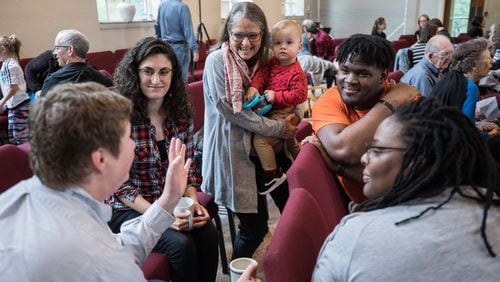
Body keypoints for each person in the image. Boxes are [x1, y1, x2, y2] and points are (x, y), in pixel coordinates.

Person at [0, 82, 191, 281]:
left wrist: (167, 200)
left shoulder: (27, 198)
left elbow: (116, 246)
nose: (134, 145)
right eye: (127, 138)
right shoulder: (98, 258)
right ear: (100, 159)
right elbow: (107, 258)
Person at [313, 98, 500, 281]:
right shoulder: (491, 212)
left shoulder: (355, 237)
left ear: (418, 162)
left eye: (376, 150)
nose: (364, 158)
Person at [107, 37, 218, 282]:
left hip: (171, 201)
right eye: (148, 71)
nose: (156, 80)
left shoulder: (180, 112)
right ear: (134, 73)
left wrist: (192, 203)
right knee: (181, 245)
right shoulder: (120, 116)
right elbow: (118, 186)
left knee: (208, 233)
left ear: (173, 74)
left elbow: (188, 168)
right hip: (129, 207)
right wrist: (161, 216)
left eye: (163, 72)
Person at [202, 2, 298, 259]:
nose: (245, 43)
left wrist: (292, 116)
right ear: (228, 34)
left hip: (268, 148)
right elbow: (234, 113)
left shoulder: (268, 58)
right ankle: (237, 274)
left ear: (263, 33)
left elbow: (292, 88)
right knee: (254, 230)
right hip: (234, 155)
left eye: (253, 35)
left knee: (294, 213)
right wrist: (279, 127)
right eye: (238, 35)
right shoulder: (216, 62)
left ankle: (287, 267)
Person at [310, 34, 420, 204]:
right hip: (363, 205)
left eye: (362, 74)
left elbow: (413, 175)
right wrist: (390, 103)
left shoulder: (411, 100)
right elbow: (344, 150)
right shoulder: (330, 100)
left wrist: (340, 167)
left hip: (409, 200)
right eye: (344, 70)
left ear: (383, 77)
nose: (350, 80)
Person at [244, 19, 308, 195]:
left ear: (299, 47)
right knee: (291, 142)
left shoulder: (297, 72)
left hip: (284, 111)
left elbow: (300, 95)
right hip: (270, 109)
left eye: (289, 43)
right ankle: (303, 166)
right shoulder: (272, 63)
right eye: (278, 43)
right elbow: (262, 75)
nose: (283, 47)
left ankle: (272, 173)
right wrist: (254, 87)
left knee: (260, 140)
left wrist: (276, 95)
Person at [429, 38, 494, 122]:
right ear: (474, 64)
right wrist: (489, 135)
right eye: (489, 58)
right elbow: (467, 129)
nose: (492, 61)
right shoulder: (470, 87)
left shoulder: (448, 76)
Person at [40, 29, 113, 97]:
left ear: (70, 50)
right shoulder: (102, 78)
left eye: (57, 48)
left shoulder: (53, 80)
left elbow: (41, 109)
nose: (54, 52)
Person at [156, 0, 199, 82]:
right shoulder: (182, 7)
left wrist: (160, 42)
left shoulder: (161, 5)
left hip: (165, 47)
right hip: (180, 49)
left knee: (167, 78)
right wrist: (195, 49)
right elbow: (188, 30)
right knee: (181, 80)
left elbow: (157, 26)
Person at [0, 34, 30, 145]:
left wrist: (1, 102)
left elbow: (14, 87)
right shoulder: (9, 64)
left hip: (19, 106)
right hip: (15, 106)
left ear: (2, 49)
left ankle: (25, 160)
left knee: (21, 140)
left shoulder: (9, 65)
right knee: (14, 138)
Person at [302, 19, 336, 87]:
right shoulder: (319, 32)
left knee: (307, 64)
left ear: (308, 32)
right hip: (323, 57)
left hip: (329, 60)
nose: (305, 33)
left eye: (305, 31)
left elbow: (321, 59)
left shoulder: (320, 40)